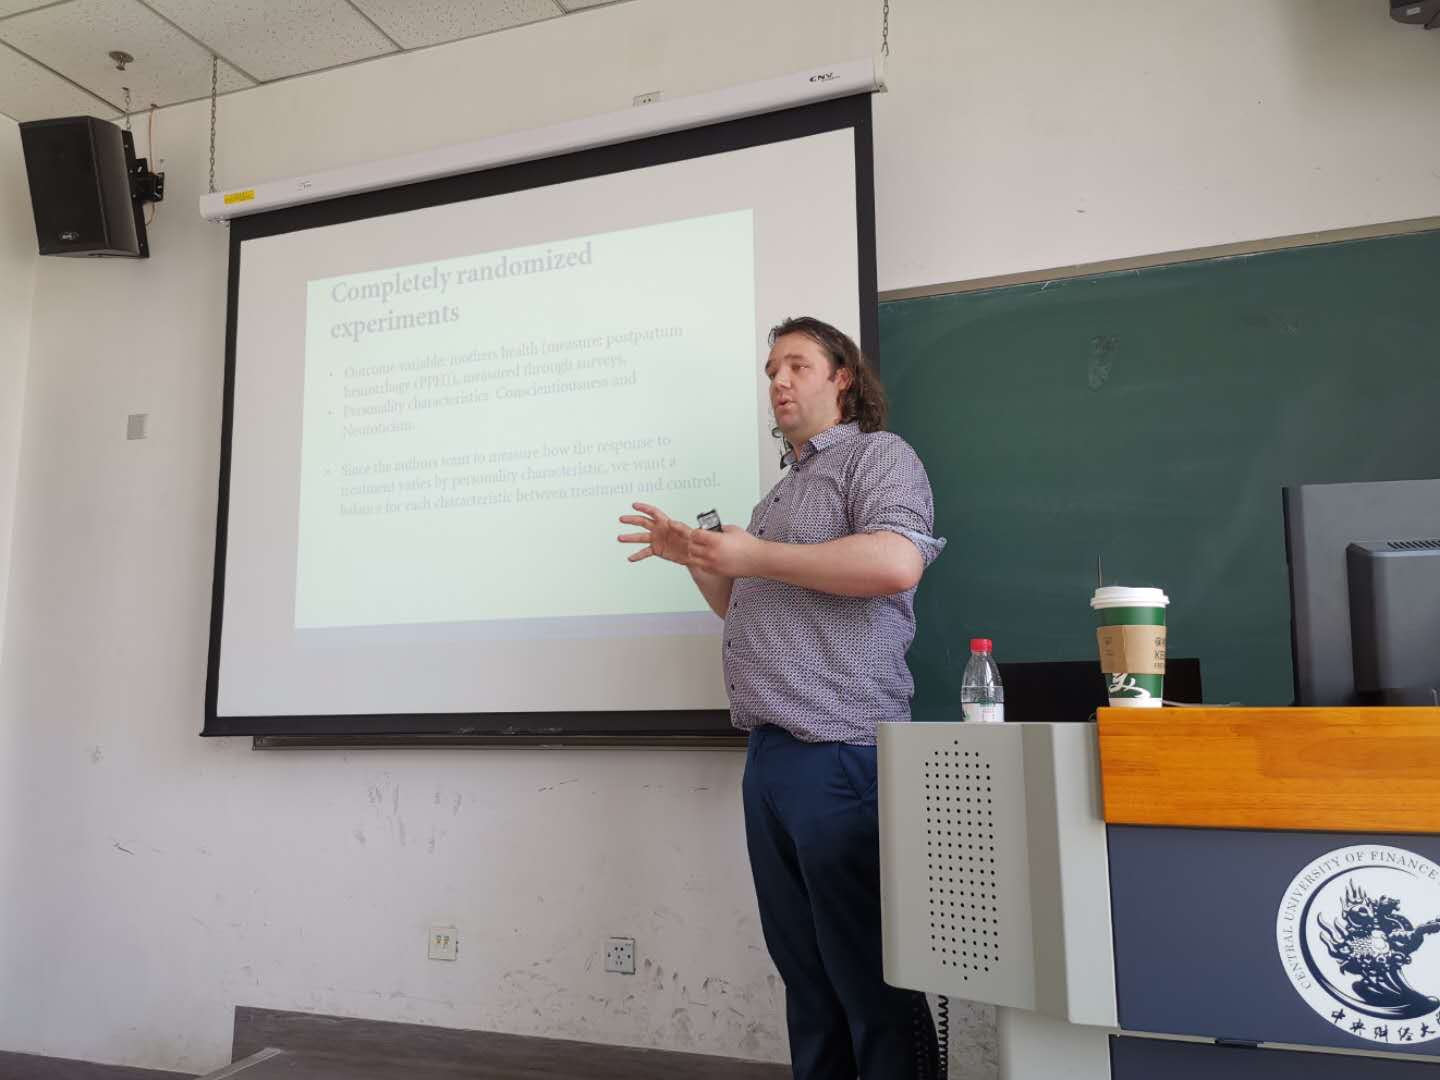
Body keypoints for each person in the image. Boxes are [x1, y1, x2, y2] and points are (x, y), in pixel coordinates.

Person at [618, 316, 945, 1079]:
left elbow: (897, 562)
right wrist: (699, 559)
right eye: (771, 371)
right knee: (808, 980)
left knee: (870, 978)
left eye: (797, 365)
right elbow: (745, 608)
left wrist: (755, 552)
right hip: (770, 757)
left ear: (843, 377)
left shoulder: (878, 456)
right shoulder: (781, 493)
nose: (779, 382)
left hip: (841, 752)